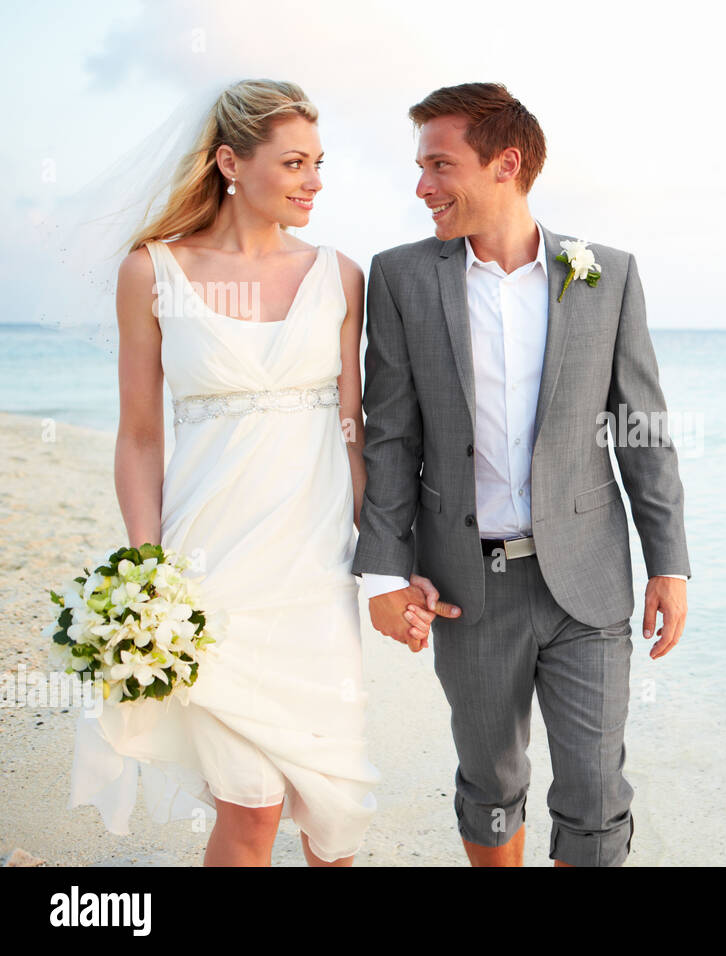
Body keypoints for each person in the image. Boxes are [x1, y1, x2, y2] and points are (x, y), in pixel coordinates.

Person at [67, 78, 436, 866]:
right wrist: (147, 568)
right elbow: (138, 437)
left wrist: (393, 566)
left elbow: (354, 433)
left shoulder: (339, 275)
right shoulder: (153, 272)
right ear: (231, 163)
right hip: (210, 573)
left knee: (332, 816)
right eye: (295, 163)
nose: (315, 181)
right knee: (251, 809)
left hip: (314, 573)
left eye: (319, 163)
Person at [352, 82, 691, 867]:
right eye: (419, 166)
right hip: (468, 585)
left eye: (440, 165)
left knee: (597, 795)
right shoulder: (401, 278)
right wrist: (384, 572)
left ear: (506, 164)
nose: (422, 187)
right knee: (490, 781)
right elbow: (392, 436)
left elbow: (642, 431)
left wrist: (669, 563)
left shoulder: (605, 274)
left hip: (590, 580)